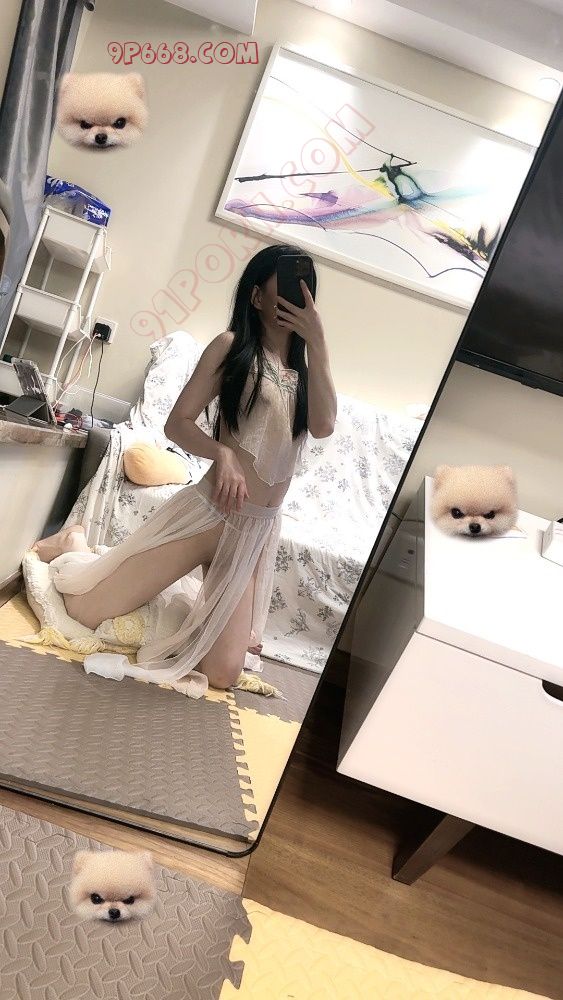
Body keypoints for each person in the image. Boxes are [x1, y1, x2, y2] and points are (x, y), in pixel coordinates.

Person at [31, 244, 337, 695]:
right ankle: (73, 542)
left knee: (222, 674)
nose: (298, 296)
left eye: (305, 288)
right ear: (257, 297)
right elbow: (178, 423)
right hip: (210, 514)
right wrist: (222, 454)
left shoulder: (306, 372)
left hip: (255, 531)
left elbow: (324, 425)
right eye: (288, 286)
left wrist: (319, 343)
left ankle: (180, 598)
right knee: (83, 610)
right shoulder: (231, 348)